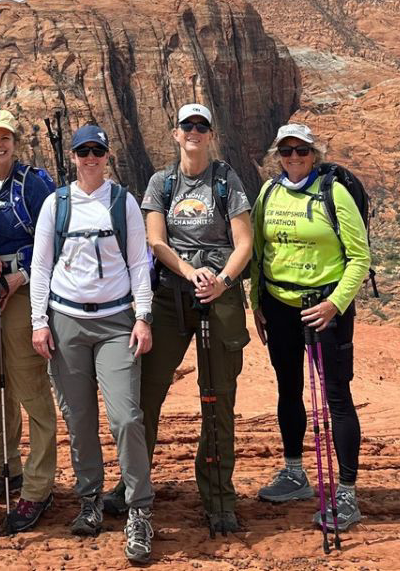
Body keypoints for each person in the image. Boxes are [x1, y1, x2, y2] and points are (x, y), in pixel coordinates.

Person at [30, 123, 155, 565]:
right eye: (83, 151)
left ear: (107, 155)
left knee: (125, 417)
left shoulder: (123, 203)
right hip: (66, 322)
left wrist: (142, 318)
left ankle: (139, 509)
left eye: (97, 151)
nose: (90, 158)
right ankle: (90, 501)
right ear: (73, 157)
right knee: (79, 419)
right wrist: (39, 322)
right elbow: (41, 267)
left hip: (116, 322)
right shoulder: (56, 204)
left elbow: (140, 263)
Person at [133, 104, 253, 532]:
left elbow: (244, 242)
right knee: (145, 395)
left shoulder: (226, 180)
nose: (195, 132)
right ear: (176, 132)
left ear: (210, 133)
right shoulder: (162, 183)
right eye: (188, 126)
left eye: (202, 126)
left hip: (218, 295)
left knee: (217, 399)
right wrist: (189, 271)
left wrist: (220, 280)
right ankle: (135, 493)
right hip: (172, 294)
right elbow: (155, 240)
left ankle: (219, 497)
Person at [250, 123, 371, 530]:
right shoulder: (268, 193)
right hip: (279, 308)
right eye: (286, 152)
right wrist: (256, 303)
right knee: (288, 389)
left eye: (301, 151)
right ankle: (294, 473)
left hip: (324, 309)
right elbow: (257, 250)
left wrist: (335, 305)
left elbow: (359, 257)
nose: (294, 158)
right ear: (278, 155)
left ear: (313, 154)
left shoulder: (333, 193)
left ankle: (347, 493)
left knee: (336, 398)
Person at [0, 108, 58, 532]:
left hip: (21, 286)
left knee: (28, 383)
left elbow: (52, 238)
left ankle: (38, 485)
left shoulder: (35, 184)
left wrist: (21, 275)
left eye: (4, 138)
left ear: (15, 142)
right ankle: (4, 465)